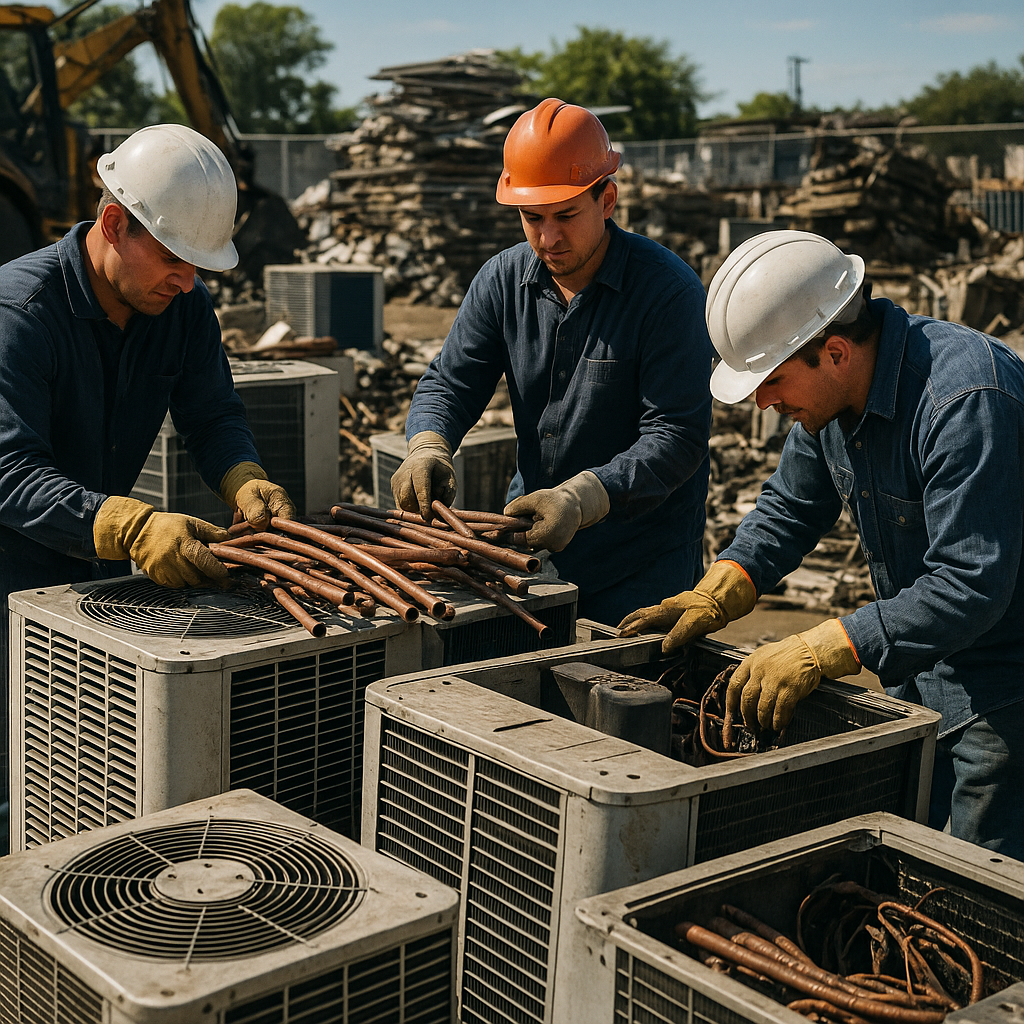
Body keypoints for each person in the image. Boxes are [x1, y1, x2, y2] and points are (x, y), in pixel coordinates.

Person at [620, 228, 1024, 860]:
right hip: (920, 673)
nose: (762, 401)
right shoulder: (831, 402)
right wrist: (721, 588)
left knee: (977, 886)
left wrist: (825, 646)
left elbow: (971, 583)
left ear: (834, 352)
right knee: (909, 852)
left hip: (1005, 689)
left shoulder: (966, 399)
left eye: (772, 380)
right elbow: (790, 506)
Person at [0, 123, 295, 852]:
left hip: (87, 567)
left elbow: (213, 413)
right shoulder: (19, 314)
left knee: (80, 765)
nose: (189, 281)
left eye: (200, 266)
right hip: (7, 571)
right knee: (14, 774)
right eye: (173, 258)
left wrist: (245, 477)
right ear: (112, 224)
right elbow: (7, 470)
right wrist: (131, 528)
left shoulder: (181, 306)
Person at [391, 98, 714, 625]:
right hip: (531, 552)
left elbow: (677, 435)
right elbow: (451, 382)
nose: (548, 238)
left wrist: (585, 497)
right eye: (531, 218)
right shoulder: (501, 281)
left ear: (606, 199)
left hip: (641, 573)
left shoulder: (666, 292)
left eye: (566, 215)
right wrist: (429, 444)